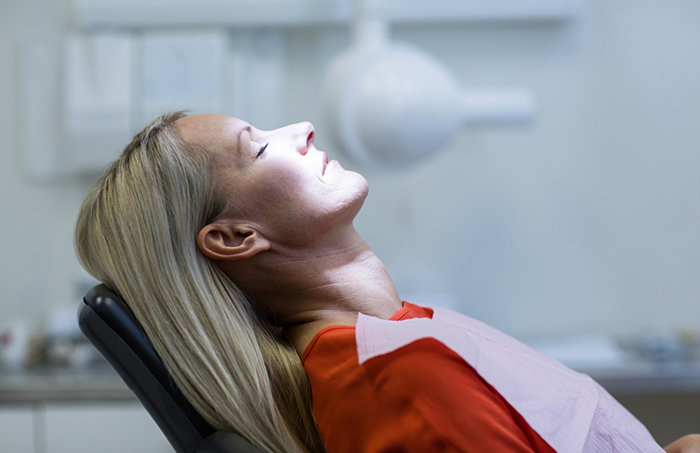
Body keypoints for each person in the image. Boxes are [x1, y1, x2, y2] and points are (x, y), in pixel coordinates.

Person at [75, 111, 700, 453]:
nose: (302, 128)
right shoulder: (392, 379)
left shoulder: (394, 343)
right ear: (237, 237)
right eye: (260, 147)